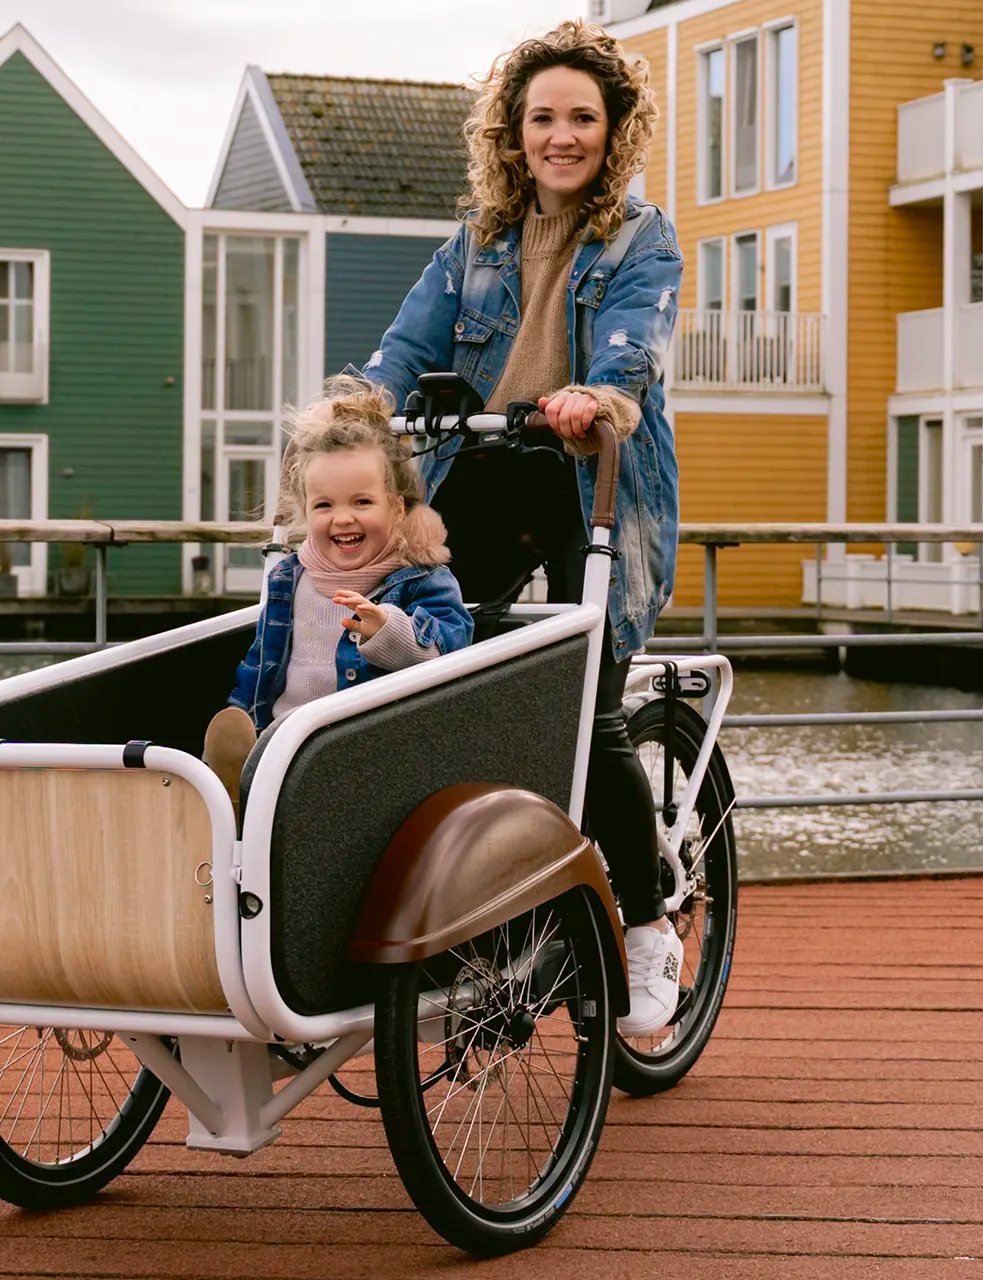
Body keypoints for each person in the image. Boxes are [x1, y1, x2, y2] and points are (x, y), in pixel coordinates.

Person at [360, 20, 688, 1037]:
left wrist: (593, 394)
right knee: (418, 664)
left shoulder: (642, 236)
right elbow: (401, 352)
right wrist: (354, 410)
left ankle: (647, 925)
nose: (561, 135)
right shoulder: (474, 245)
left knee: (581, 695)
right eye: (541, 117)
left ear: (611, 130)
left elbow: (631, 347)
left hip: (590, 483)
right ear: (511, 131)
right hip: (487, 472)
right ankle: (461, 901)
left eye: (581, 118)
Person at [202, 376, 473, 799]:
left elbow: (452, 650)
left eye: (362, 503)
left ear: (397, 508)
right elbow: (261, 664)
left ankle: (247, 794)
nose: (342, 518)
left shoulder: (419, 577)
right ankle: (235, 786)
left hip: (362, 750)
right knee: (256, 755)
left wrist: (388, 630)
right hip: (281, 739)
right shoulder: (290, 578)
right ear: (306, 512)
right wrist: (242, 712)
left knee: (309, 780)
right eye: (324, 505)